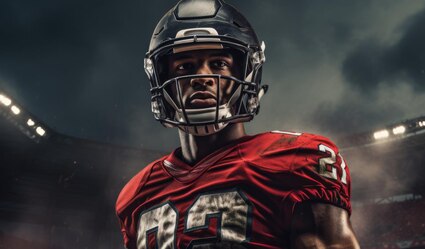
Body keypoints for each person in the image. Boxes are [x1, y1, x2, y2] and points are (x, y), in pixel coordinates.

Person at [115, 0, 360, 248]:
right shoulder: (137, 194)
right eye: (185, 66)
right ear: (161, 77)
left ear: (246, 72)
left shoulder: (294, 161)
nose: (202, 77)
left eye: (219, 64)